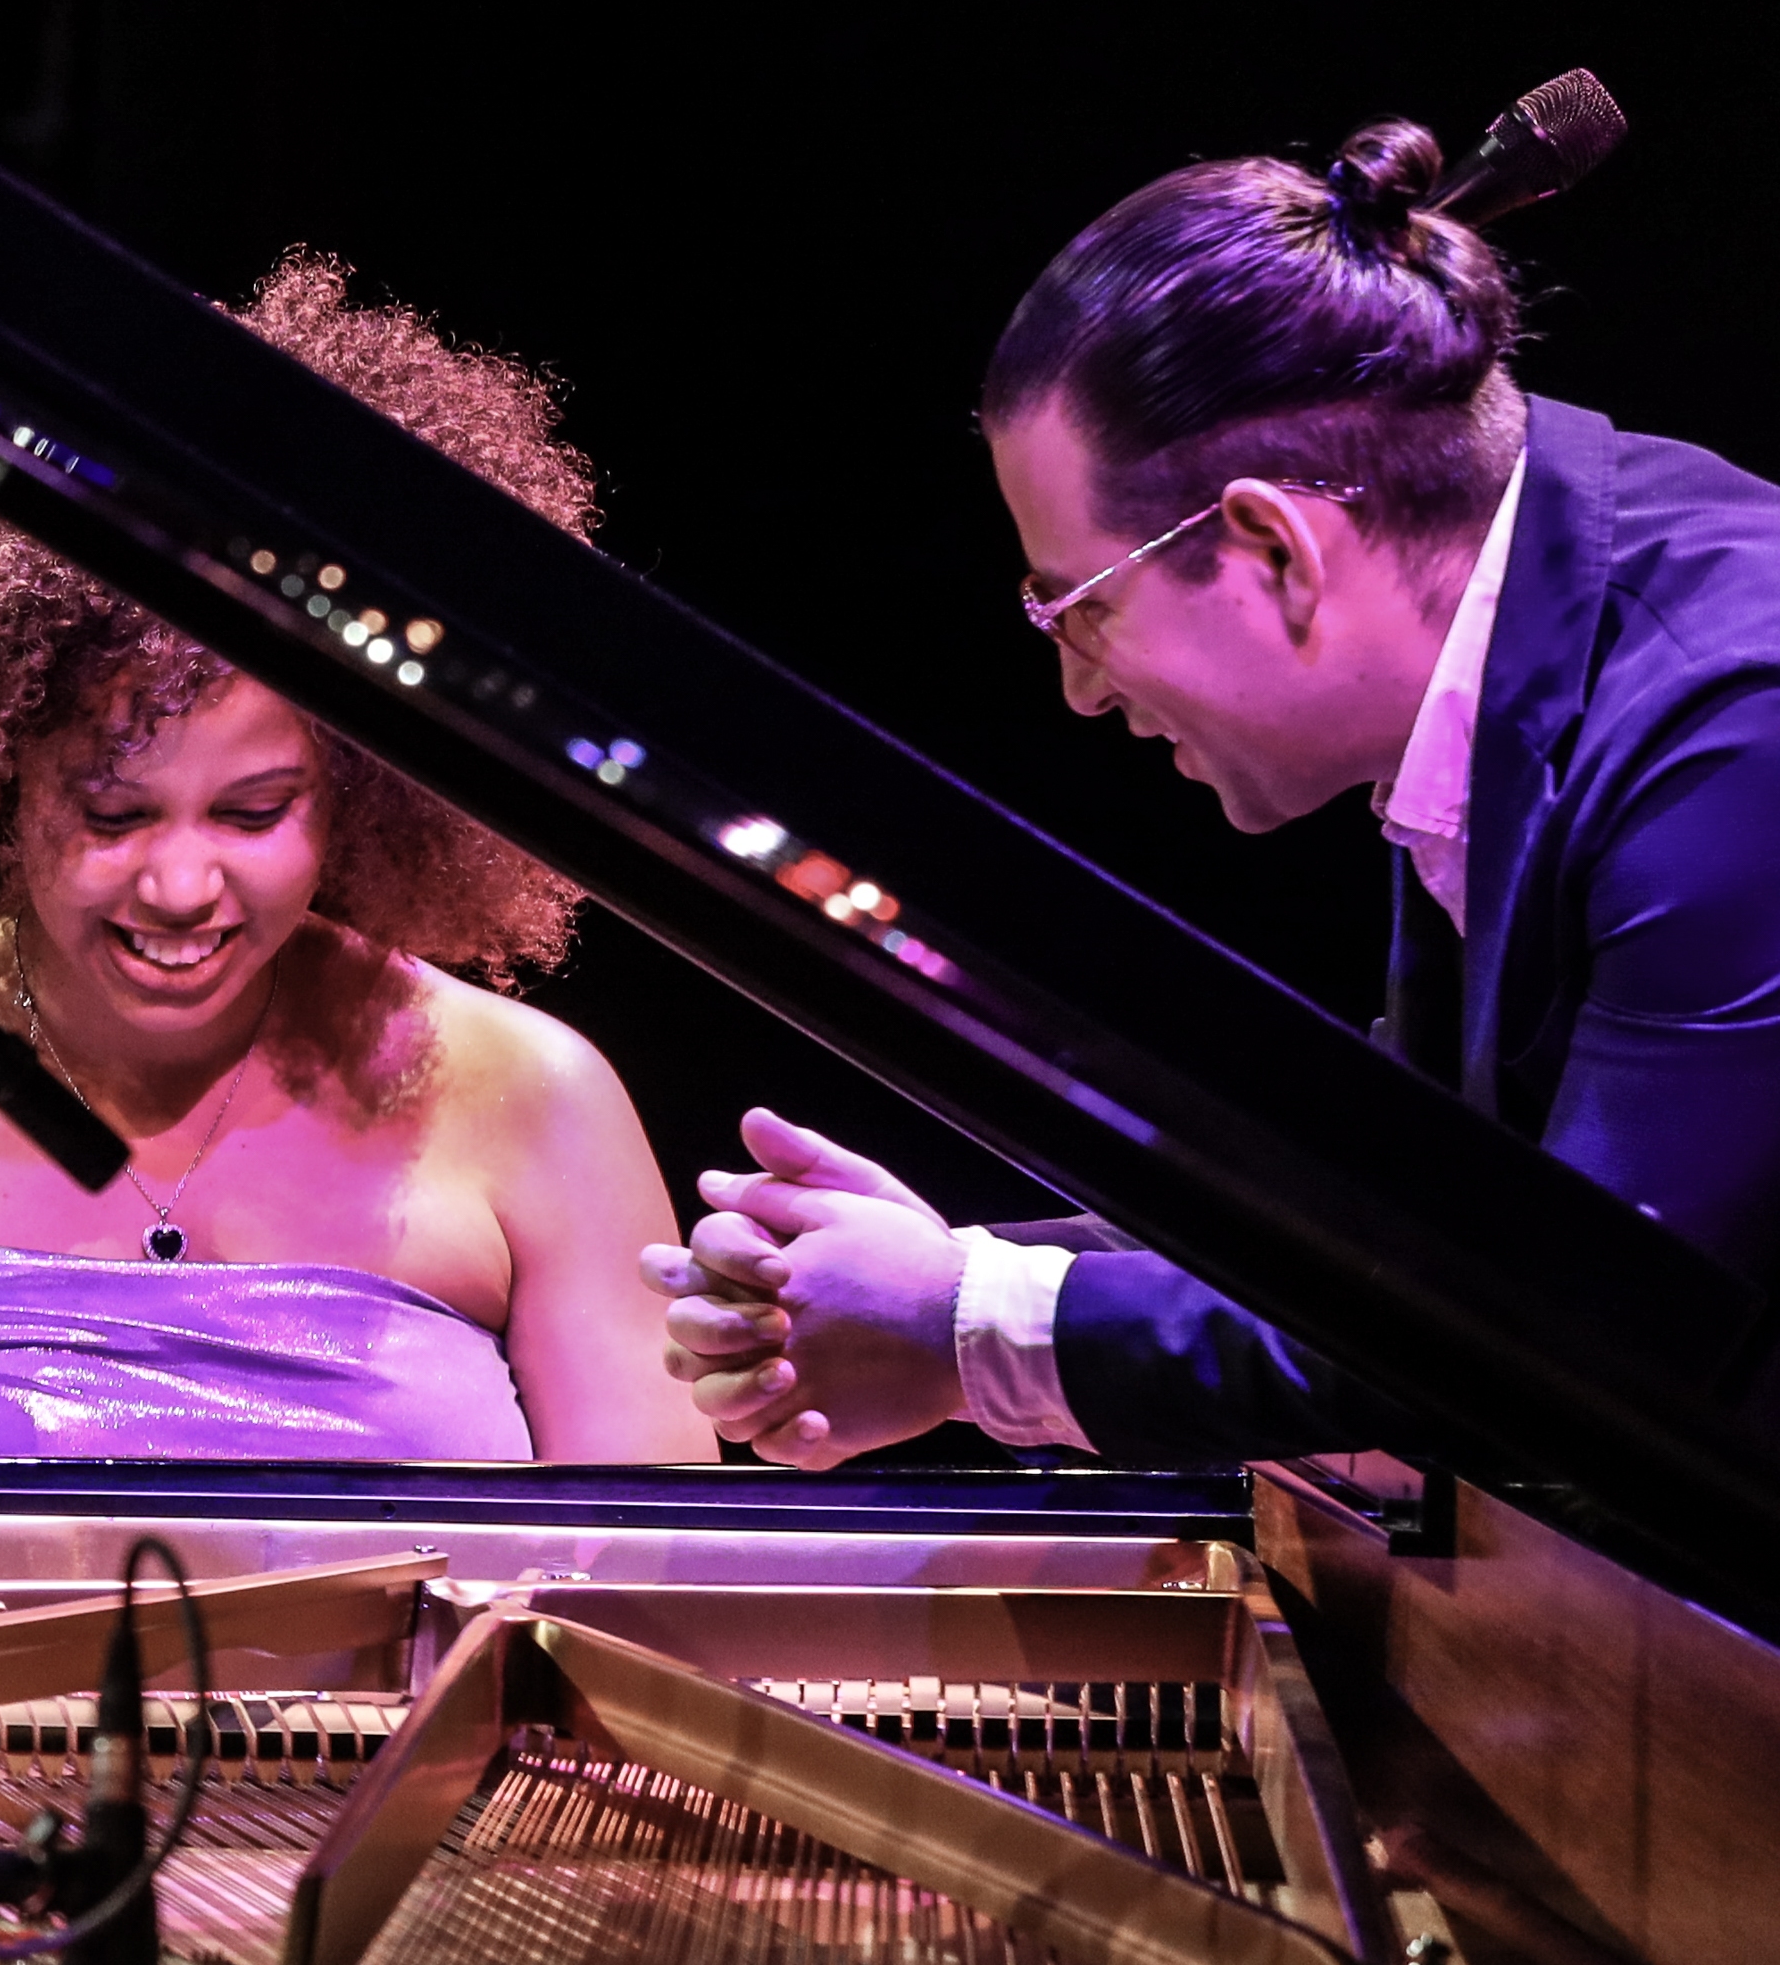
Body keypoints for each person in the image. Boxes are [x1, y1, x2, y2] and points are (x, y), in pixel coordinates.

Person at [654, 114, 1780, 1462]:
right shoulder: (1535, 635)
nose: (1077, 688)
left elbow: (1584, 1334)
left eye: (1074, 605)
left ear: (1269, 546)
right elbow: (1415, 1223)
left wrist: (971, 1328)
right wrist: (930, 1273)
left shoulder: (1731, 735)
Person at [0, 261, 710, 1463]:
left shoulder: (534, 1104)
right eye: (114, 815)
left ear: (362, 793)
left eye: (252, 814)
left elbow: (654, 1601)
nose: (182, 888)